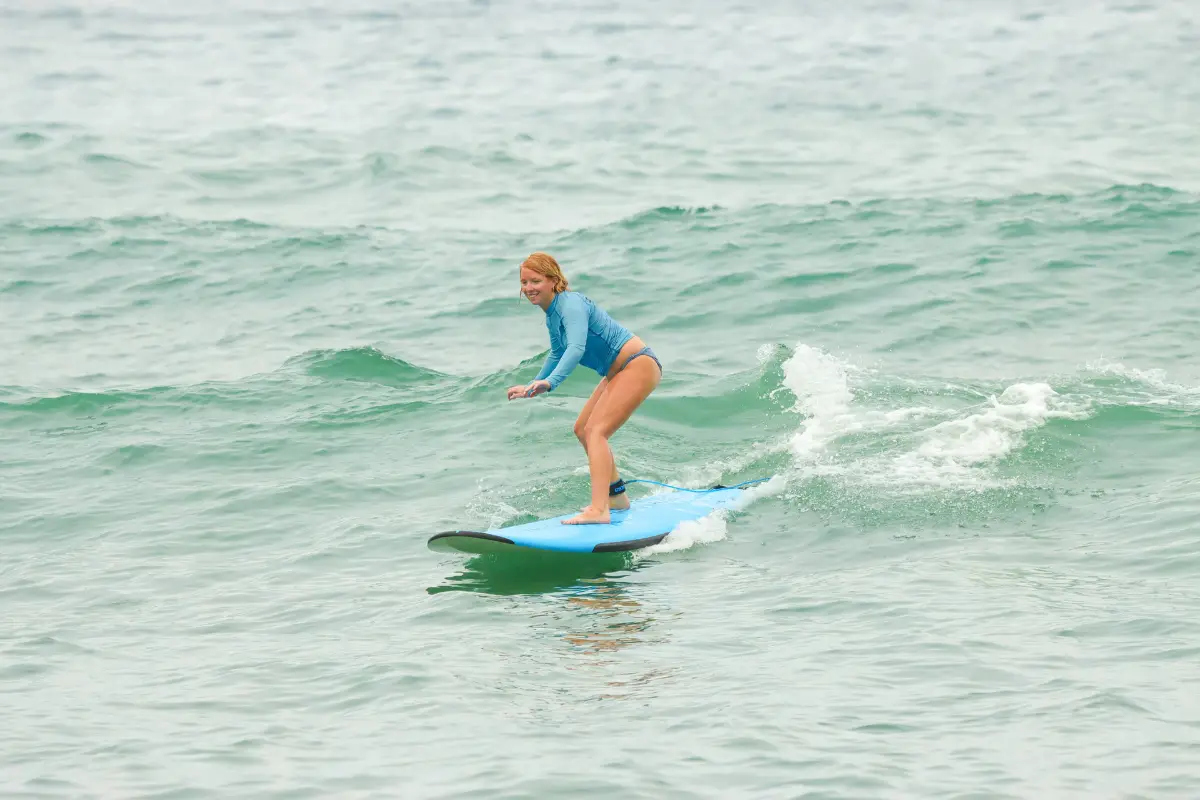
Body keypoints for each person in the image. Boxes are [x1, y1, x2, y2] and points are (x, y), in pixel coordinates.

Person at [506, 252, 662, 525]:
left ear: (554, 280)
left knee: (596, 431)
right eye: (524, 282)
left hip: (637, 364)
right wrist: (535, 384)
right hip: (618, 371)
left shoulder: (571, 305)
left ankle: (599, 509)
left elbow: (576, 348)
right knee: (582, 429)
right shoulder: (552, 314)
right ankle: (616, 498)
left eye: (536, 281)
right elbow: (557, 352)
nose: (529, 288)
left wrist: (553, 381)